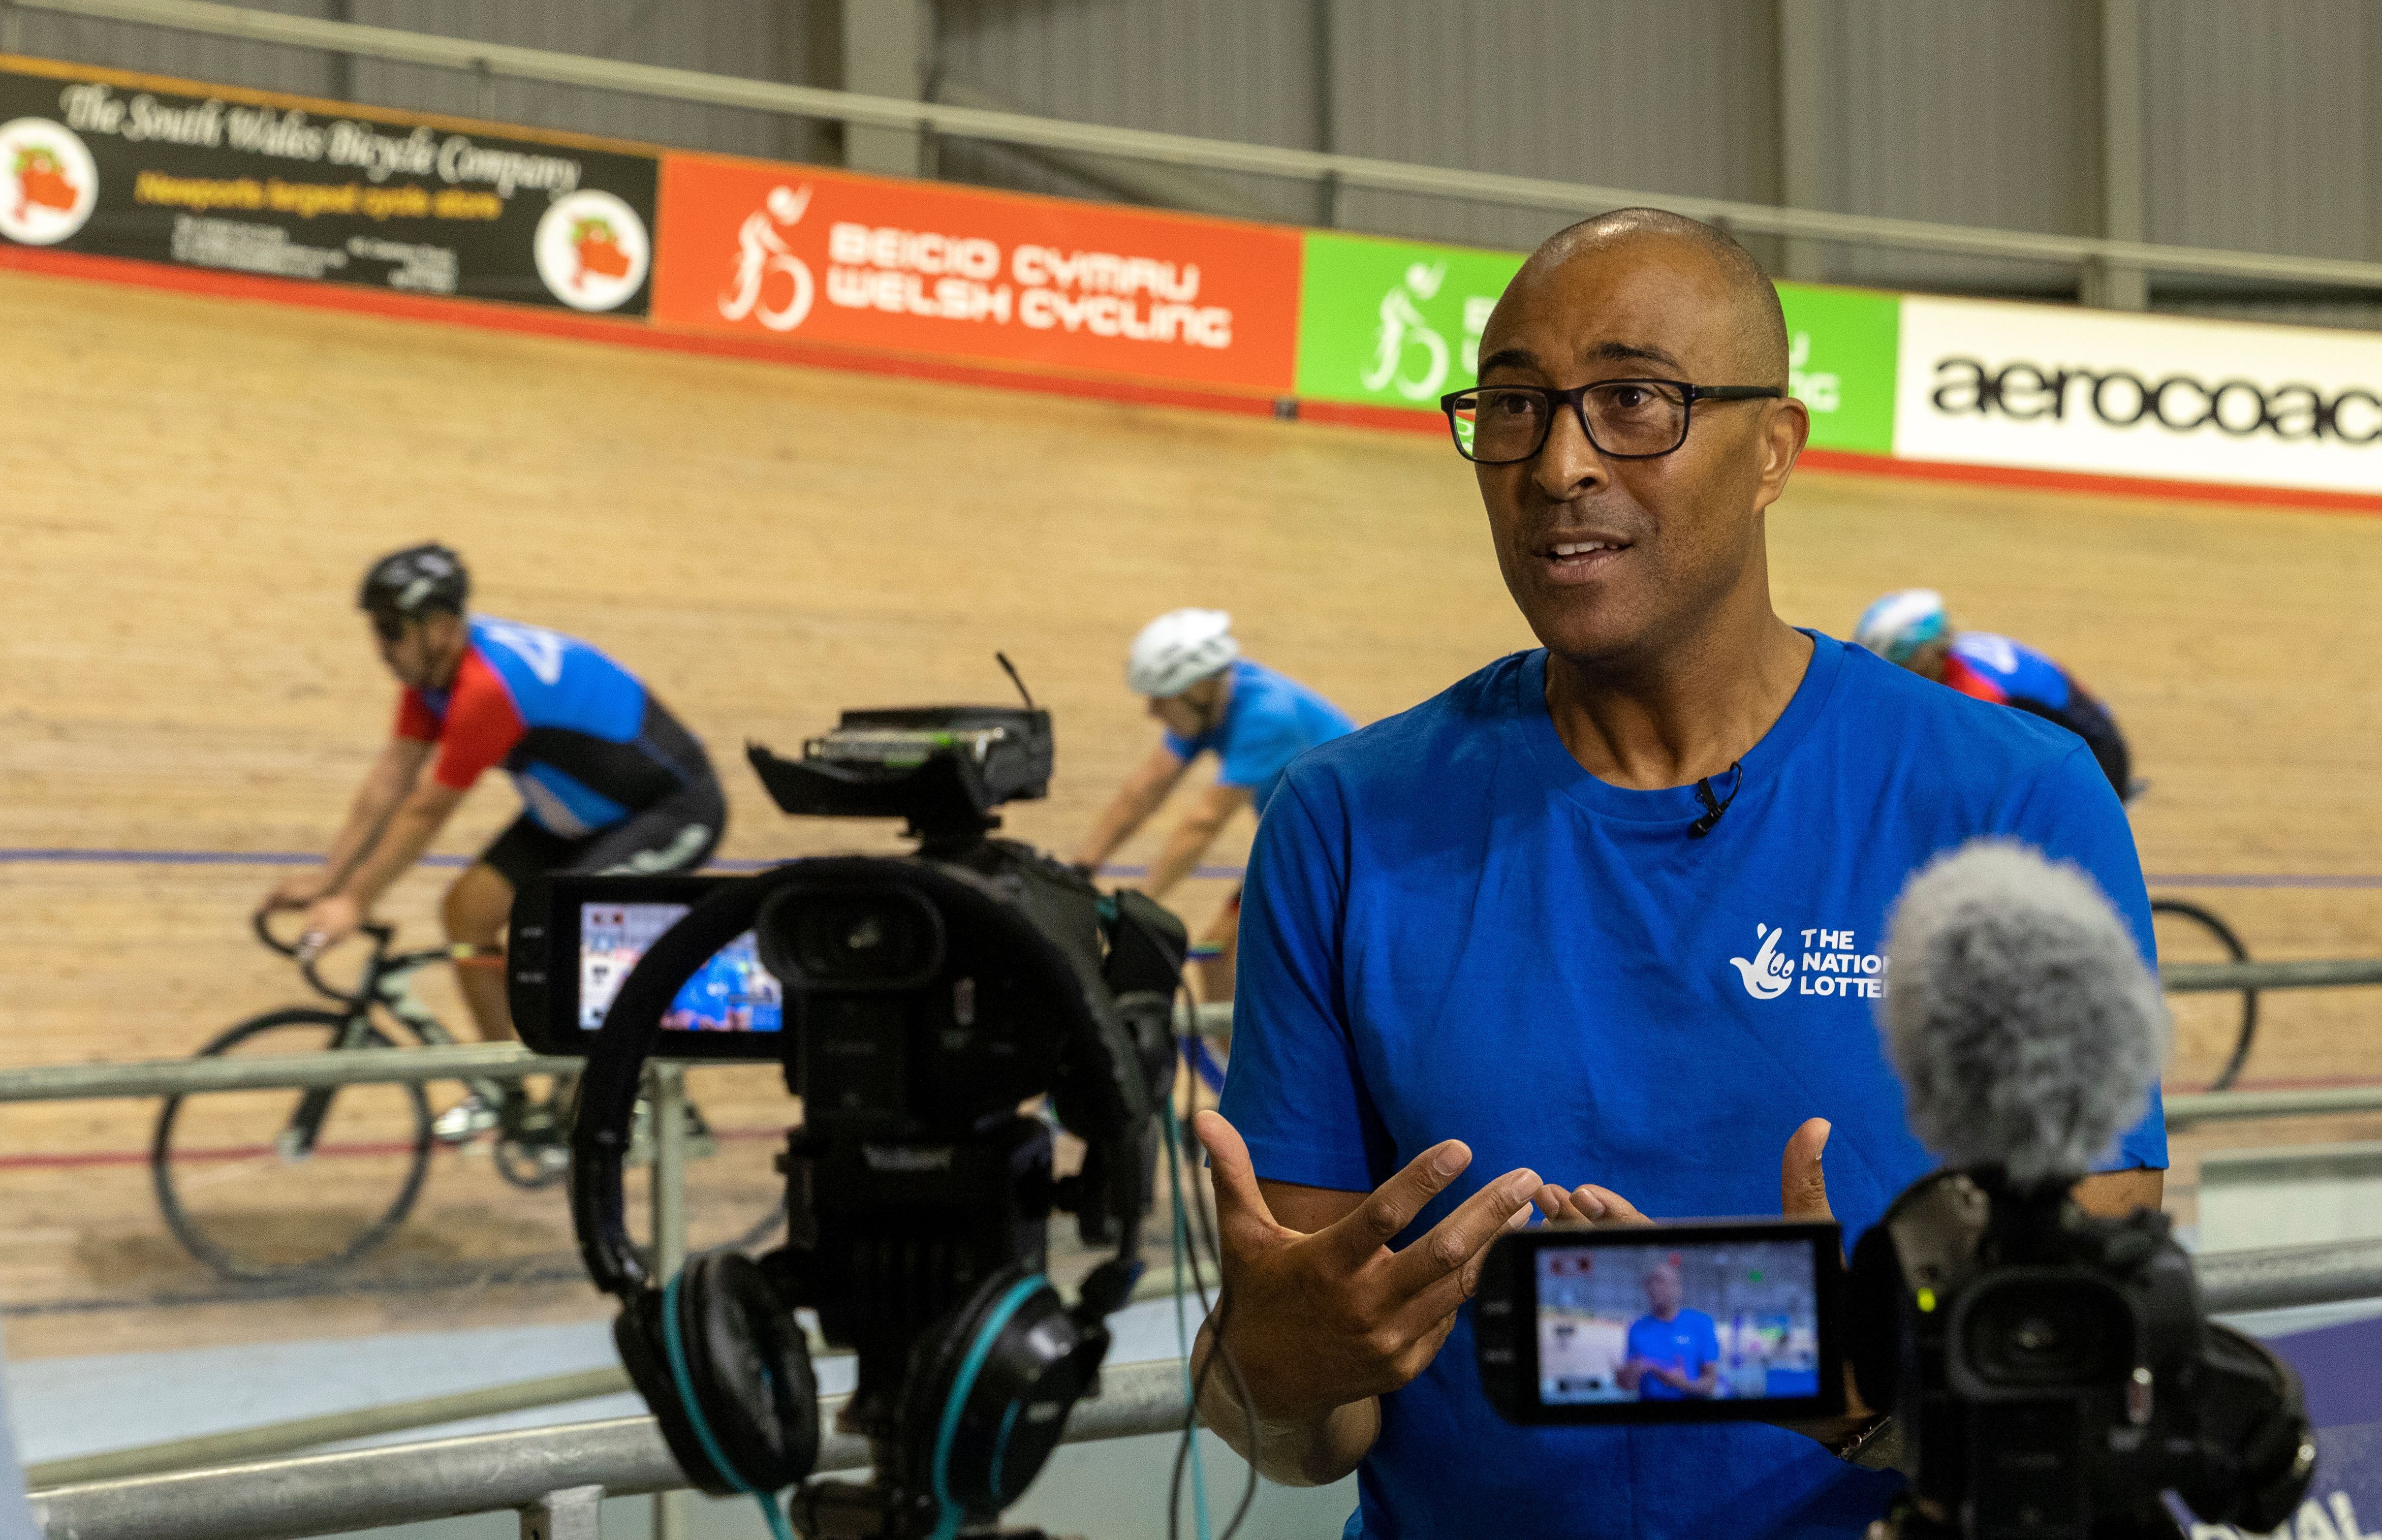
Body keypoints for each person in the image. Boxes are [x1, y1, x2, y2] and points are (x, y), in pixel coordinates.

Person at [1188, 209, 2164, 1536]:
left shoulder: (2013, 800)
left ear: (1774, 450)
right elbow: (1302, 1419)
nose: (1560, 463)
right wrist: (1272, 1371)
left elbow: (2085, 1373)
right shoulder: (1342, 820)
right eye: (1517, 406)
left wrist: (1869, 1399)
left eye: (1635, 400)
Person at [262, 544, 726, 1138]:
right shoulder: (432, 676)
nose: (379, 646)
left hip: (668, 810)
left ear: (439, 627)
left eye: (388, 629)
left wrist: (355, 900)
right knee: (467, 913)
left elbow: (426, 809)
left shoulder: (486, 689)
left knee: (575, 928)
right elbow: (390, 781)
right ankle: (508, 1088)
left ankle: (618, 1098)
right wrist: (331, 880)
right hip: (583, 813)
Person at [1071, 609, 1354, 1000]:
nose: (1150, 710)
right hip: (1313, 848)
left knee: (1226, 956)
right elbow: (1144, 790)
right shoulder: (1212, 704)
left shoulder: (1268, 717)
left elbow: (1203, 824)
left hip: (1353, 856)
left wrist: (1141, 904)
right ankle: (1228, 1063)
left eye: (1158, 698)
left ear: (1199, 688)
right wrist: (1081, 868)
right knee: (1216, 958)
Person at [1854, 588, 2135, 799]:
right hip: (2060, 743)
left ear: (1929, 653)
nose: (1890, 676)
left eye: (1897, 664)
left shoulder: (1977, 692)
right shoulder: (1951, 663)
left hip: (2097, 761)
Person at [1617, 1261, 1720, 1401]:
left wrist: (1684, 1384)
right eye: (1650, 1283)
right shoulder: (1637, 1328)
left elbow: (1710, 1383)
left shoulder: (1701, 1323)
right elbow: (1628, 1385)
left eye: (1661, 1282)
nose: (1654, 1288)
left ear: (1678, 1289)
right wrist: (1624, 1377)